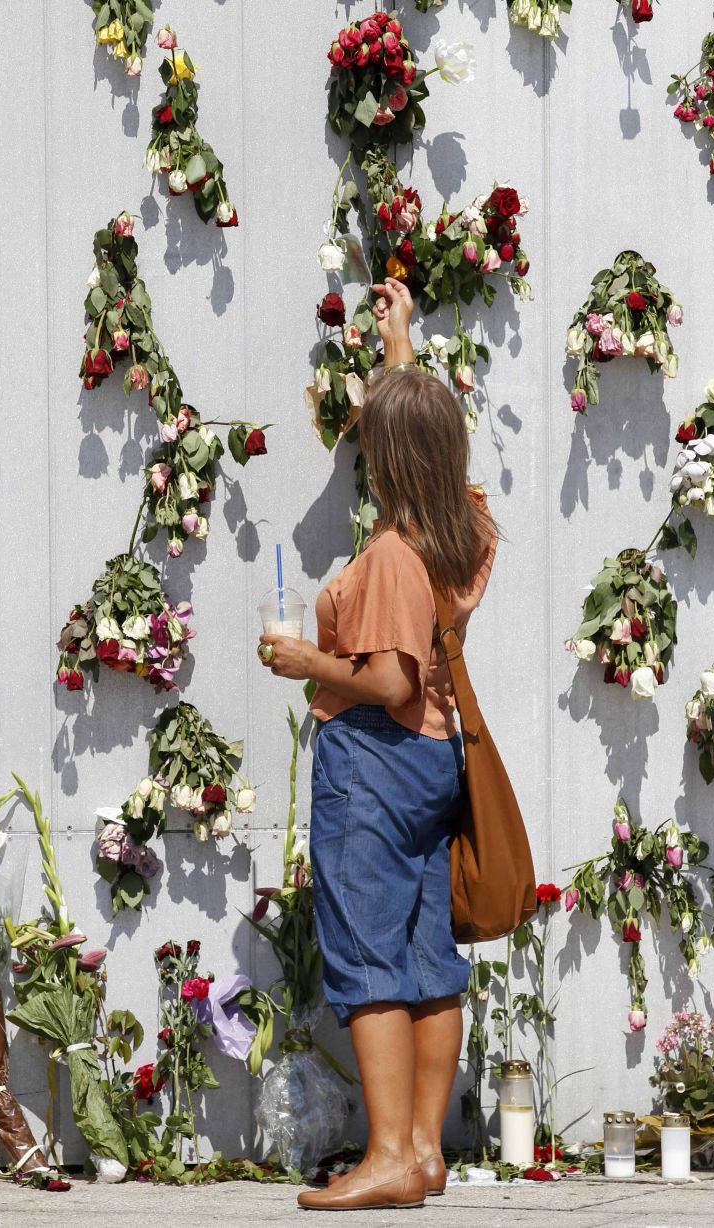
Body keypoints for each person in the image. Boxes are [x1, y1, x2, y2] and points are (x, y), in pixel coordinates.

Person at [258, 278, 497, 1212]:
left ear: (389, 454)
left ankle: (390, 1154)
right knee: (428, 957)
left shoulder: (394, 555)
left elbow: (391, 680)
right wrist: (401, 344)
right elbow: (425, 434)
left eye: (370, 437)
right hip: (435, 763)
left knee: (365, 955)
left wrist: (307, 660)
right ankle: (426, 1153)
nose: (362, 444)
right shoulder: (463, 531)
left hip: (374, 756)